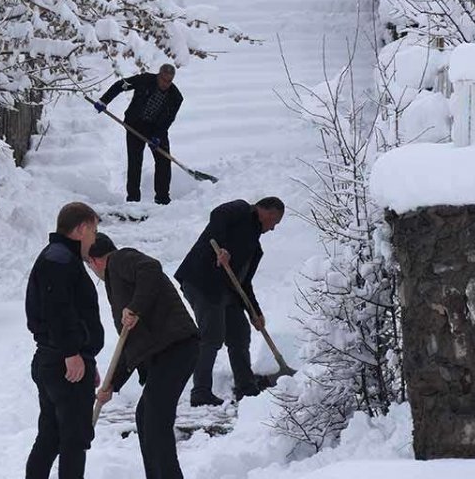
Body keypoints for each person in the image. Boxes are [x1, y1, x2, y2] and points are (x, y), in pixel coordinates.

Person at [87, 233, 198, 479]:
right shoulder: (115, 282)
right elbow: (130, 345)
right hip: (164, 353)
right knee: (145, 416)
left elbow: (151, 268)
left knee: (156, 421)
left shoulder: (119, 259)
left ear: (93, 261)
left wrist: (135, 307)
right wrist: (112, 385)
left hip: (176, 347)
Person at [173, 197, 284, 406]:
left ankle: (246, 387)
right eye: (275, 222)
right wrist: (222, 247)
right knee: (212, 335)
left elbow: (244, 284)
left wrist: (255, 313)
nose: (273, 228)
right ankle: (200, 392)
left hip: (227, 292)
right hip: (201, 282)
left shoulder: (255, 249)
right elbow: (217, 214)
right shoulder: (241, 210)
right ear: (268, 213)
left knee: (240, 333)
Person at [25, 202, 106, 479]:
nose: (94, 239)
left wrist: (85, 357)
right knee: (72, 440)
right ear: (81, 229)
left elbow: (72, 312)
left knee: (52, 437)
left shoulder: (61, 257)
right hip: (62, 363)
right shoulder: (59, 260)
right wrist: (72, 353)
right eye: (93, 231)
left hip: (59, 360)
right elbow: (56, 310)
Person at [93, 64, 183, 205]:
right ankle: (133, 199)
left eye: (169, 81)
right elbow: (120, 85)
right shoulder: (144, 79)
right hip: (135, 124)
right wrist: (104, 100)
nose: (166, 84)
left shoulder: (176, 97)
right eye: (164, 80)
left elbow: (168, 120)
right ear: (158, 75)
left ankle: (162, 198)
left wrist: (158, 137)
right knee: (135, 161)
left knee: (164, 161)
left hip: (157, 129)